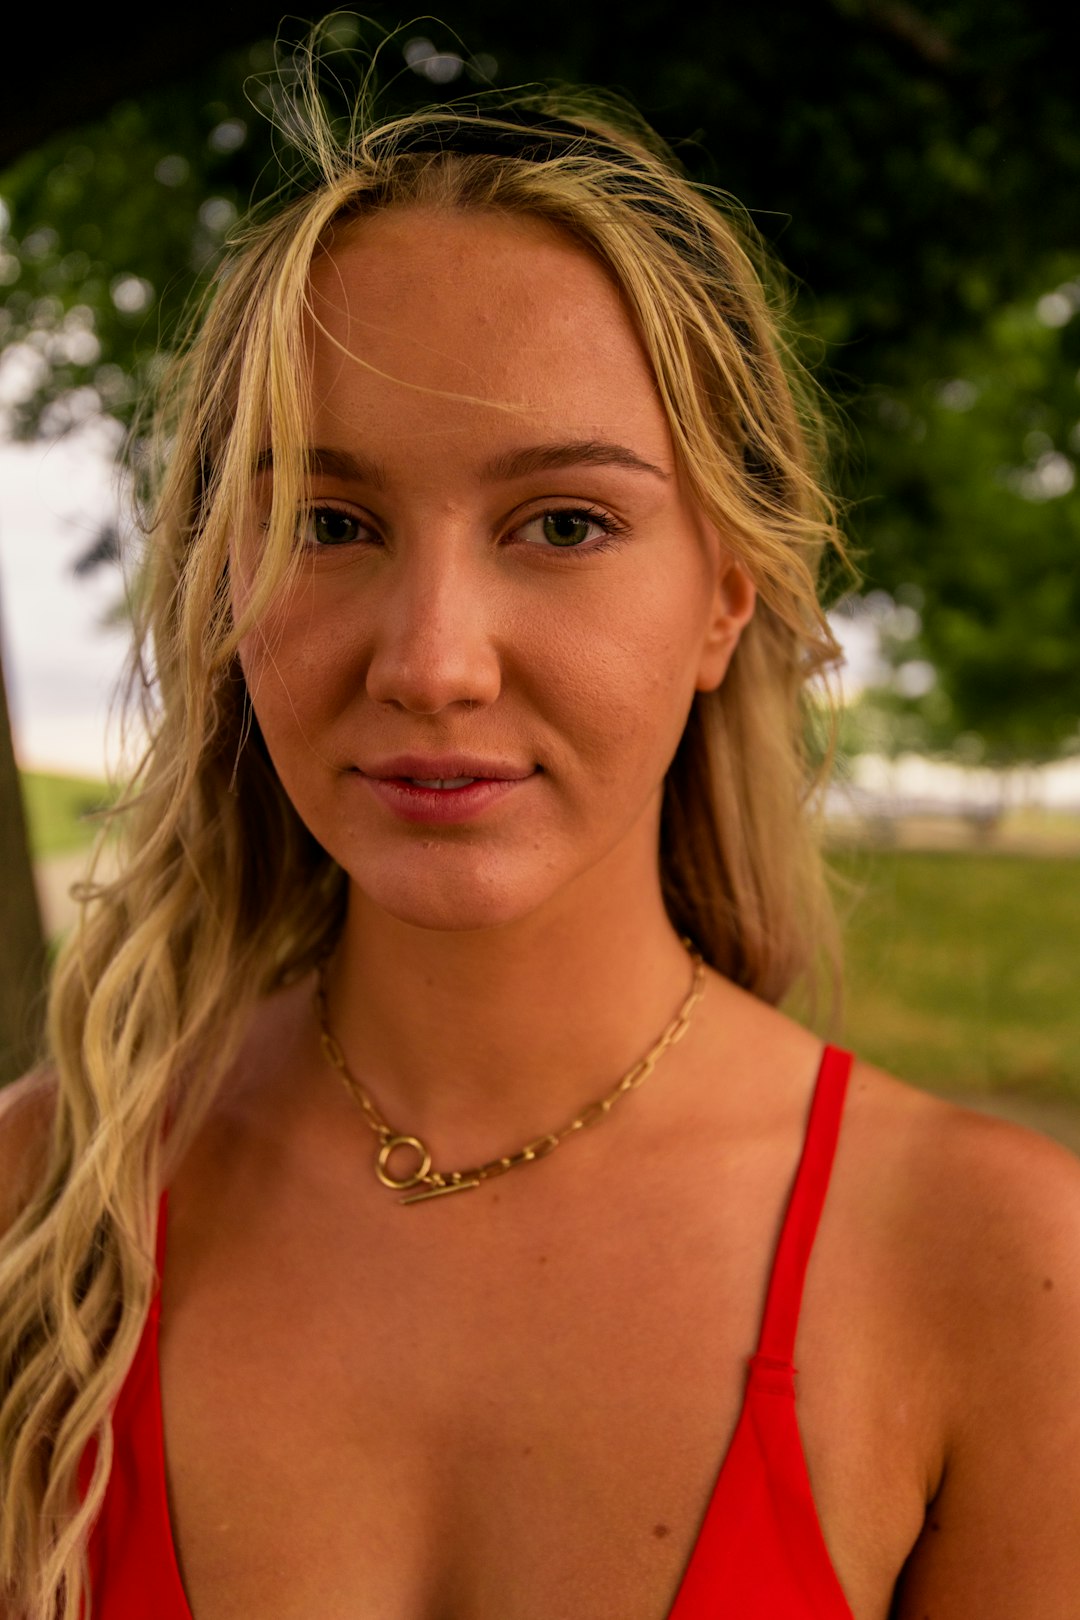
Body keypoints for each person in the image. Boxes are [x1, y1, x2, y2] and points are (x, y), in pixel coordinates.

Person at [2, 50, 1080, 1620]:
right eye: (330, 519)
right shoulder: (42, 1210)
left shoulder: (995, 1273)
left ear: (726, 595)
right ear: (226, 581)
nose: (433, 660)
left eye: (564, 523)